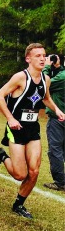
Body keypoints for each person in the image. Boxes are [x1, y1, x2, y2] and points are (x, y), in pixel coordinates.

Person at [0, 43, 65, 219]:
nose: (42, 58)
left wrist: (57, 110)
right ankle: (2, 156)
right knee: (20, 174)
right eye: (38, 55)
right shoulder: (20, 77)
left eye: (44, 55)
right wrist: (10, 118)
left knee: (34, 171)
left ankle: (18, 204)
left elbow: (45, 98)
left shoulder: (46, 80)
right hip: (16, 129)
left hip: (32, 129)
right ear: (28, 58)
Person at [42, 54, 65, 191]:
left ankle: (60, 182)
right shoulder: (62, 74)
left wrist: (45, 67)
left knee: (55, 150)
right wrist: (56, 65)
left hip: (58, 118)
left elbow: (44, 84)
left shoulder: (62, 77)